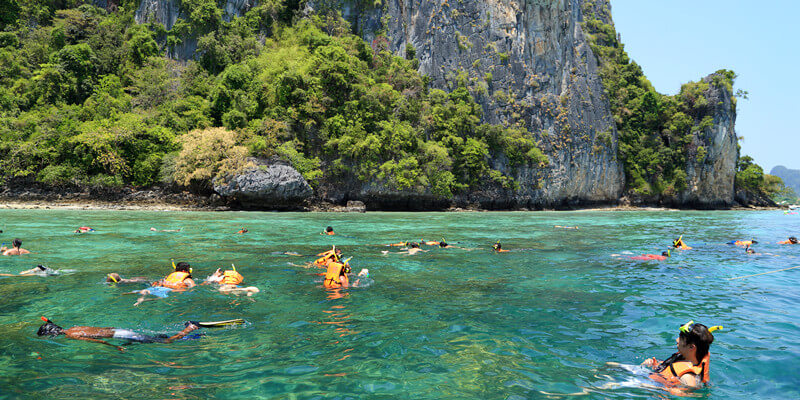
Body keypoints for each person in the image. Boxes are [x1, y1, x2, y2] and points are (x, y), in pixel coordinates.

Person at [36, 317, 201, 351]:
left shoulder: (71, 335)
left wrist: (116, 348)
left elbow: (98, 342)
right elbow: (99, 329)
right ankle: (189, 334)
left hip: (120, 336)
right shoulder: (74, 327)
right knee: (153, 338)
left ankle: (190, 328)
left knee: (166, 343)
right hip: (118, 331)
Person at [641, 321, 720, 388]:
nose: (677, 340)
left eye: (681, 339)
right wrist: (655, 365)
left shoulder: (688, 378)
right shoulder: (684, 357)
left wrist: (655, 388)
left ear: (691, 347)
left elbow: (683, 395)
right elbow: (671, 370)